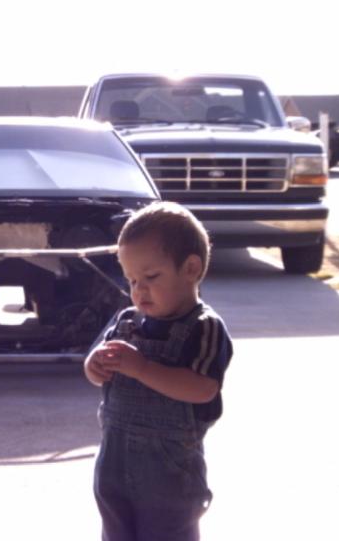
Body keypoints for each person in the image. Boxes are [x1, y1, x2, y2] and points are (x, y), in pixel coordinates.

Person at [84, 201, 233, 541]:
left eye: (151, 277)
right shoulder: (126, 321)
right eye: (132, 280)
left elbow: (203, 388)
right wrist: (94, 366)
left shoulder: (204, 327)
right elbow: (96, 368)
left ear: (190, 269)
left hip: (169, 471)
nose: (139, 290)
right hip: (113, 462)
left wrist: (142, 368)